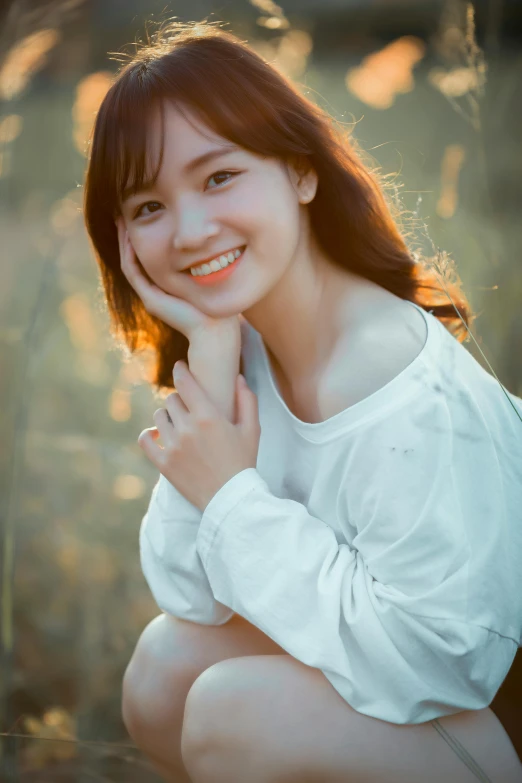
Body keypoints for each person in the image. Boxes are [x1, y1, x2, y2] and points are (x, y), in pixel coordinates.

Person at [83, 19, 522, 783]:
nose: (189, 230)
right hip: (415, 706)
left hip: (492, 725)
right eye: (148, 206)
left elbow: (448, 662)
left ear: (301, 173)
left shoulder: (395, 384)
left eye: (219, 177)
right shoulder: (242, 350)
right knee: (162, 670)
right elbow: (189, 595)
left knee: (230, 712)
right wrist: (212, 370)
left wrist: (231, 494)